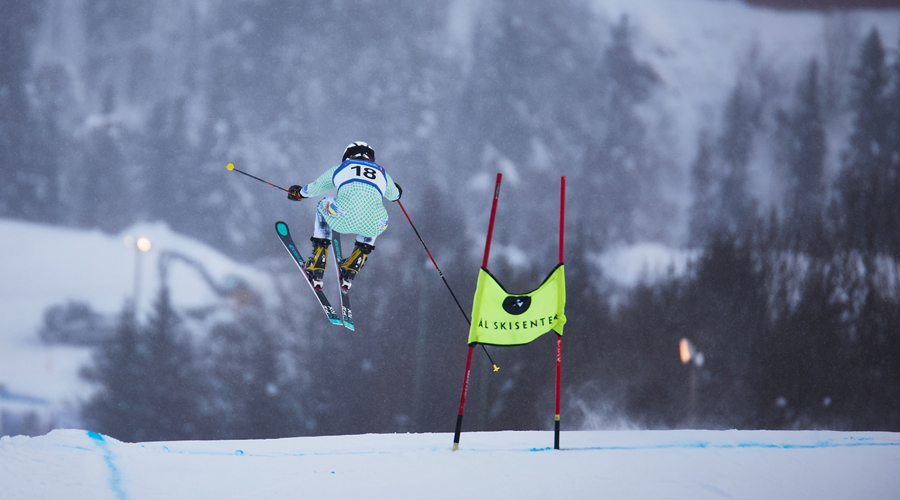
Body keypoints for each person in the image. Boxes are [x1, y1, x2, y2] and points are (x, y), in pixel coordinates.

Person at [287, 141, 402, 290]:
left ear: (347, 155)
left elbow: (315, 188)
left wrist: (299, 193)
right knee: (375, 215)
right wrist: (396, 189)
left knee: (323, 205)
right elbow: (395, 196)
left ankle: (318, 261)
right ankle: (354, 263)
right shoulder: (382, 172)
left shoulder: (341, 168)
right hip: (376, 225)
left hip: (342, 218)